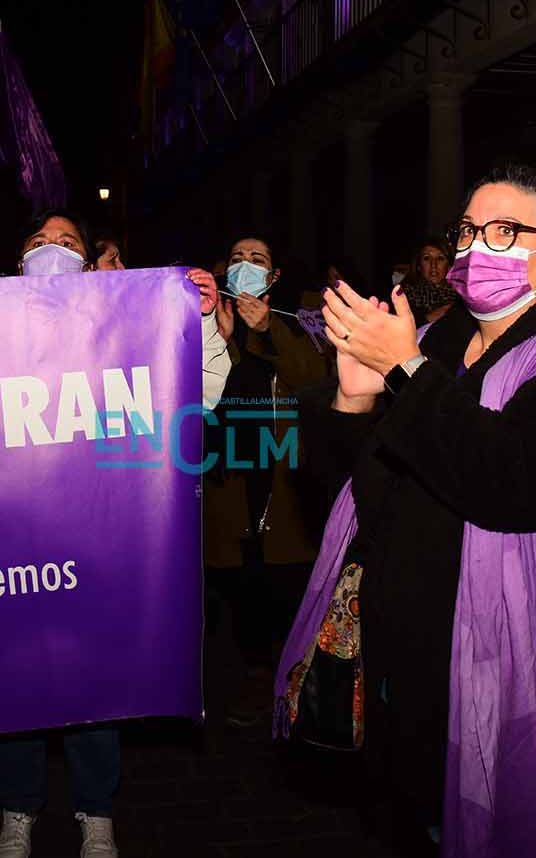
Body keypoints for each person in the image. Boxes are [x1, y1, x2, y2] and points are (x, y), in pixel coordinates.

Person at [299, 164, 536, 856]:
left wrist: (406, 373)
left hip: (528, 684)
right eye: (467, 231)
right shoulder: (438, 342)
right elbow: (364, 492)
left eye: (504, 231)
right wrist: (353, 400)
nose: (477, 247)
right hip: (416, 674)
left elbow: (510, 483)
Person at [0, 169, 228, 858]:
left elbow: (200, 394)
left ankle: (95, 812)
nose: (53, 250)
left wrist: (199, 321)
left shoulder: (120, 331)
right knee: (15, 682)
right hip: (9, 544)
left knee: (94, 681)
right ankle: (17, 811)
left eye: (69, 242)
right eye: (39, 241)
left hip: (97, 542)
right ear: (17, 262)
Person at [204, 234, 328, 729]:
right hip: (228, 482)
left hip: (282, 485)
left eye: (258, 259)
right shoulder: (207, 323)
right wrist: (221, 337)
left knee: (285, 591)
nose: (246, 265)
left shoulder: (294, 325)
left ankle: (292, 684)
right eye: (237, 257)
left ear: (273, 276)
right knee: (241, 593)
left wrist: (265, 331)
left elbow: (313, 382)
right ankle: (256, 677)